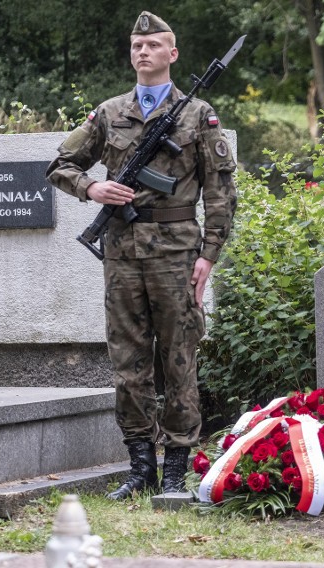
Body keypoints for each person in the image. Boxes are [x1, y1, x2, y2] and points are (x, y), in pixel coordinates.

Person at [46, 11, 238, 500]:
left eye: (154, 45)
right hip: (122, 254)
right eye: (137, 45)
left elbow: (220, 193)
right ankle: (140, 467)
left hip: (178, 254)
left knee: (179, 361)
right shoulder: (109, 113)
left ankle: (175, 466)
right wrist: (93, 188)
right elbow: (61, 165)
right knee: (128, 363)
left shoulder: (198, 115)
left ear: (172, 54)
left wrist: (209, 255)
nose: (143, 52)